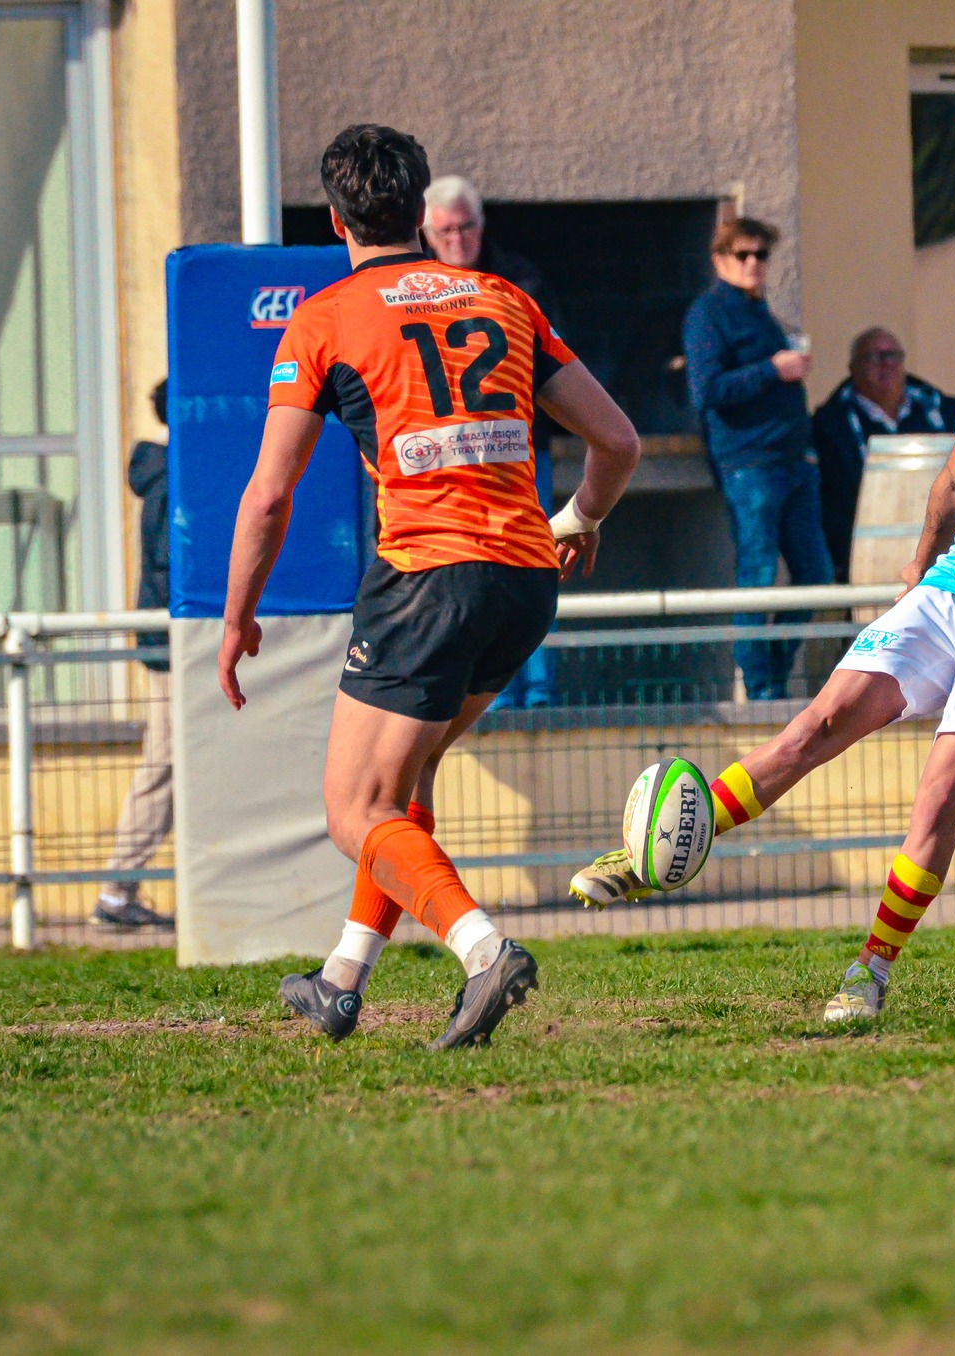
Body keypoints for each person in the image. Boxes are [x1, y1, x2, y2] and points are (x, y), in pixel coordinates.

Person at [572, 278, 955, 1021]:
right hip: (951, 593)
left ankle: (869, 970)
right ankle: (651, 857)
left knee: (943, 786)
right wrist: (920, 563)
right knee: (814, 726)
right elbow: (950, 488)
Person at [222, 124, 641, 1047]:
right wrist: (581, 520)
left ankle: (482, 950)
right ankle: (342, 980)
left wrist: (237, 616)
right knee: (401, 786)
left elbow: (267, 497)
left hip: (426, 580)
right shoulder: (505, 298)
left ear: (336, 219)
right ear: (421, 213)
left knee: (353, 807)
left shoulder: (326, 316)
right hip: (526, 580)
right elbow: (617, 442)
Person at [423, 175, 560, 709]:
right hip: (451, 459)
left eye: (467, 227)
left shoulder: (521, 281)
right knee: (470, 573)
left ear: (483, 227)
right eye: (446, 230)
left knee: (533, 562)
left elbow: (556, 363)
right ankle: (488, 693)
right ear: (428, 233)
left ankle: (540, 690)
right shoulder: (414, 292)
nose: (458, 239)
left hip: (521, 453)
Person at [682, 217, 832, 700]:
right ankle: (761, 686)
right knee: (758, 574)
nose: (753, 264)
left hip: (794, 461)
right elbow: (707, 391)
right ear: (719, 260)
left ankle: (773, 670)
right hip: (750, 465)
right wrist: (772, 369)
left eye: (760, 255)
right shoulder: (708, 314)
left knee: (816, 576)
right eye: (742, 255)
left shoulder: (760, 311)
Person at [94, 377, 175, 929]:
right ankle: (116, 890)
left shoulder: (164, 478)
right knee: (165, 765)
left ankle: (120, 889)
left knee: (170, 764)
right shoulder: (177, 483)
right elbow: (177, 566)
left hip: (170, 642)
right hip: (177, 645)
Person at [810, 327, 955, 582]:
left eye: (893, 356)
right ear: (853, 367)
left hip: (939, 550)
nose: (886, 364)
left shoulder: (939, 412)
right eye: (874, 357)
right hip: (864, 554)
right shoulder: (830, 426)